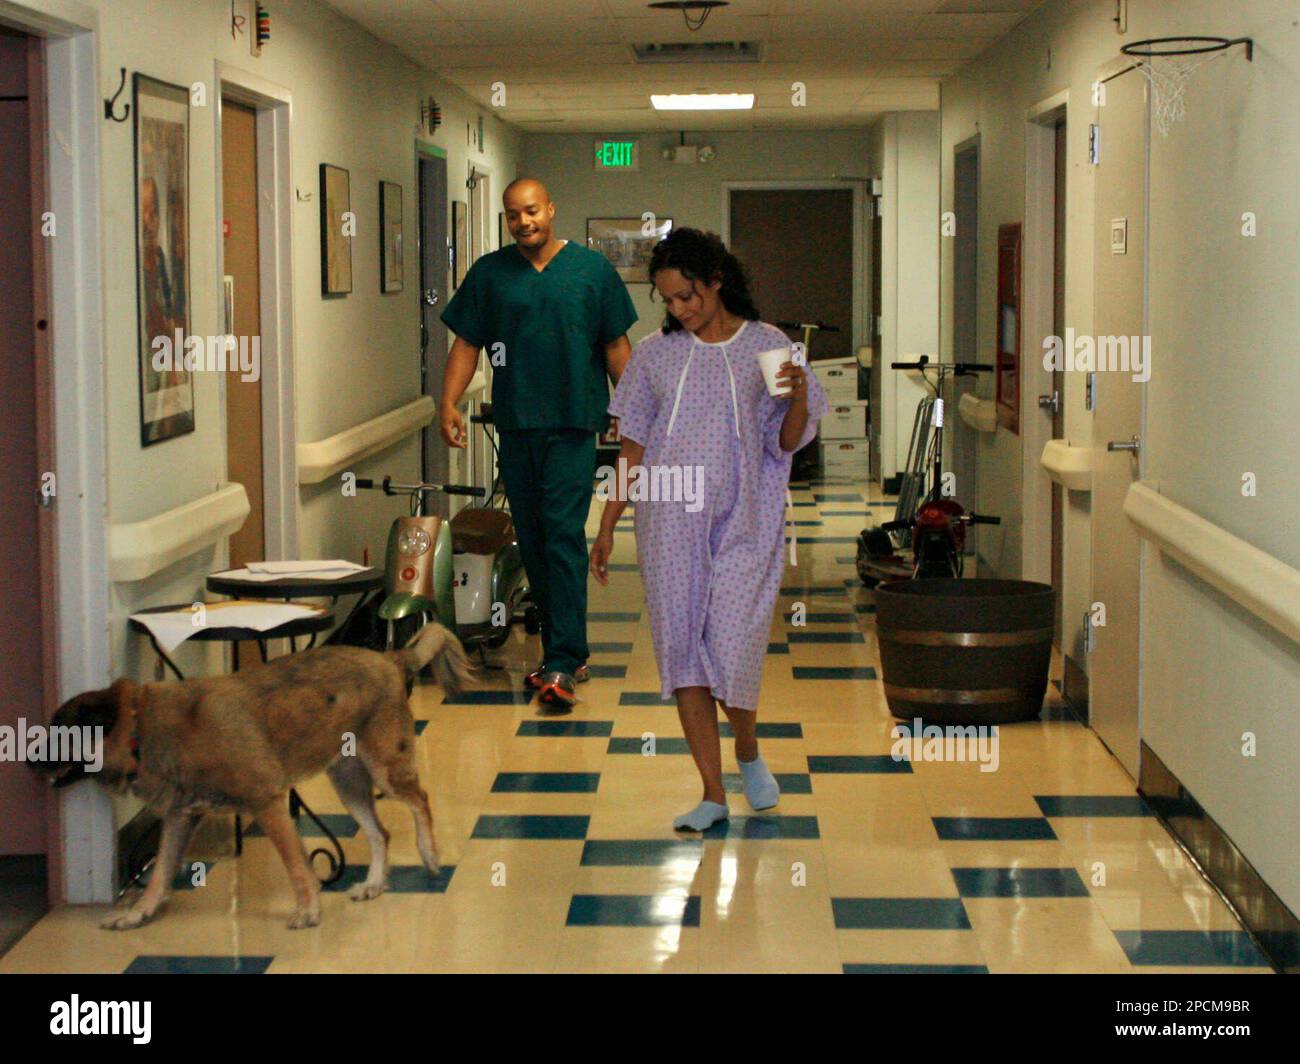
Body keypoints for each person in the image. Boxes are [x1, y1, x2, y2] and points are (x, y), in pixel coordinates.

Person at [590, 228, 829, 831]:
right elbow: (633, 442)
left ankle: (747, 749)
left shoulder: (770, 347)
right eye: (668, 301)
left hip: (746, 518)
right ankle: (713, 793)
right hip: (669, 522)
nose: (680, 311)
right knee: (683, 654)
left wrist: (799, 396)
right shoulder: (653, 355)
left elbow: (785, 441)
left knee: (733, 647)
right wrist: (608, 522)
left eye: (688, 297)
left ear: (716, 281)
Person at [440, 178, 637, 710]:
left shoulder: (592, 273)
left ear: (551, 208)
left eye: (531, 211)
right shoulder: (491, 274)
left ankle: (563, 658)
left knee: (563, 535)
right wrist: (448, 403)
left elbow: (616, 345)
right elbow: (467, 344)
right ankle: (563, 652)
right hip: (517, 423)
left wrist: (637, 411)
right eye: (512, 215)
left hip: (574, 424)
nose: (523, 222)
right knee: (531, 539)